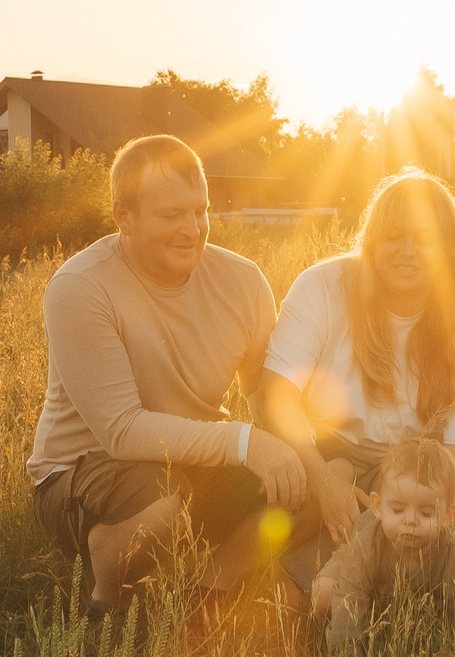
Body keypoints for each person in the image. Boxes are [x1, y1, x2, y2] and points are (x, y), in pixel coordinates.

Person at [29, 134, 313, 616]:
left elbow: (265, 395)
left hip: (194, 465)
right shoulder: (80, 288)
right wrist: (246, 443)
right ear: (124, 216)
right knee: (161, 500)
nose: (193, 228)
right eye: (172, 215)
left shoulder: (242, 281)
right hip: (86, 470)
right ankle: (107, 599)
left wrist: (305, 452)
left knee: (304, 481)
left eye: (200, 211)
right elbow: (121, 431)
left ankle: (208, 592)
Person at [258, 169, 455, 602]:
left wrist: (451, 566)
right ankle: (219, 582)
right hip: (314, 449)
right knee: (273, 547)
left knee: (321, 595)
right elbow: (276, 397)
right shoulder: (324, 287)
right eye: (393, 236)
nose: (408, 252)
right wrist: (324, 480)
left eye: (424, 240)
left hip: (405, 473)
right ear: (372, 240)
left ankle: (344, 584)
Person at [311, 437, 455, 651]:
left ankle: (393, 616)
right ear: (378, 506)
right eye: (397, 509)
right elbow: (349, 598)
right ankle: (331, 631)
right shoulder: (366, 545)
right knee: (323, 593)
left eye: (425, 513)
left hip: (403, 596)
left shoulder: (448, 548)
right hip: (356, 573)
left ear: (447, 516)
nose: (410, 520)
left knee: (423, 613)